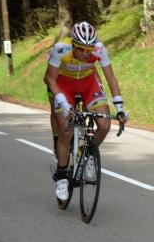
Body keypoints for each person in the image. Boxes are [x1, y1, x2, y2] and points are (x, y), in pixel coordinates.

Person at [44, 21, 128, 201]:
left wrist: (120, 107)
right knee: (66, 131)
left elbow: (111, 78)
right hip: (64, 86)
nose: (85, 53)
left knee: (105, 125)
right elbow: (49, 79)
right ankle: (61, 177)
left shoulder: (99, 49)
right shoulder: (61, 49)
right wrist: (62, 102)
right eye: (81, 48)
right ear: (73, 44)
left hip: (88, 84)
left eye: (89, 49)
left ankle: (87, 152)